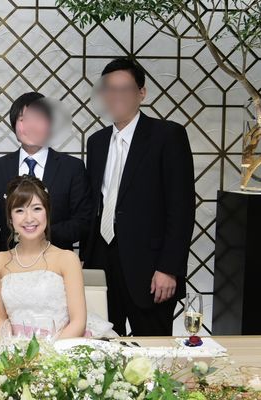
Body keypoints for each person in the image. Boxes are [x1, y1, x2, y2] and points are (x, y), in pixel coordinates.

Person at [83, 57, 195, 336]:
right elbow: (95, 205)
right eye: (109, 89)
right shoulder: (96, 142)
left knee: (154, 350)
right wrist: (85, 260)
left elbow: (181, 209)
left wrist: (169, 268)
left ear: (141, 93)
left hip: (150, 269)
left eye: (124, 89)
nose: (115, 96)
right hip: (102, 262)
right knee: (102, 346)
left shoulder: (167, 136)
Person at [0, 92, 91, 305]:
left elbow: (83, 222)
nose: (31, 126)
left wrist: (36, 231)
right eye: (23, 119)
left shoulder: (72, 168)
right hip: (8, 271)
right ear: (14, 125)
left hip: (56, 272)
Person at [0, 176, 115, 338]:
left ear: (47, 213)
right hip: (17, 348)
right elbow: (1, 319)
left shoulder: (67, 259)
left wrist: (48, 351)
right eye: (19, 210)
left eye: (37, 209)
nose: (29, 218)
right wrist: (13, 350)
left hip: (62, 345)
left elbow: (78, 322)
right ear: (10, 218)